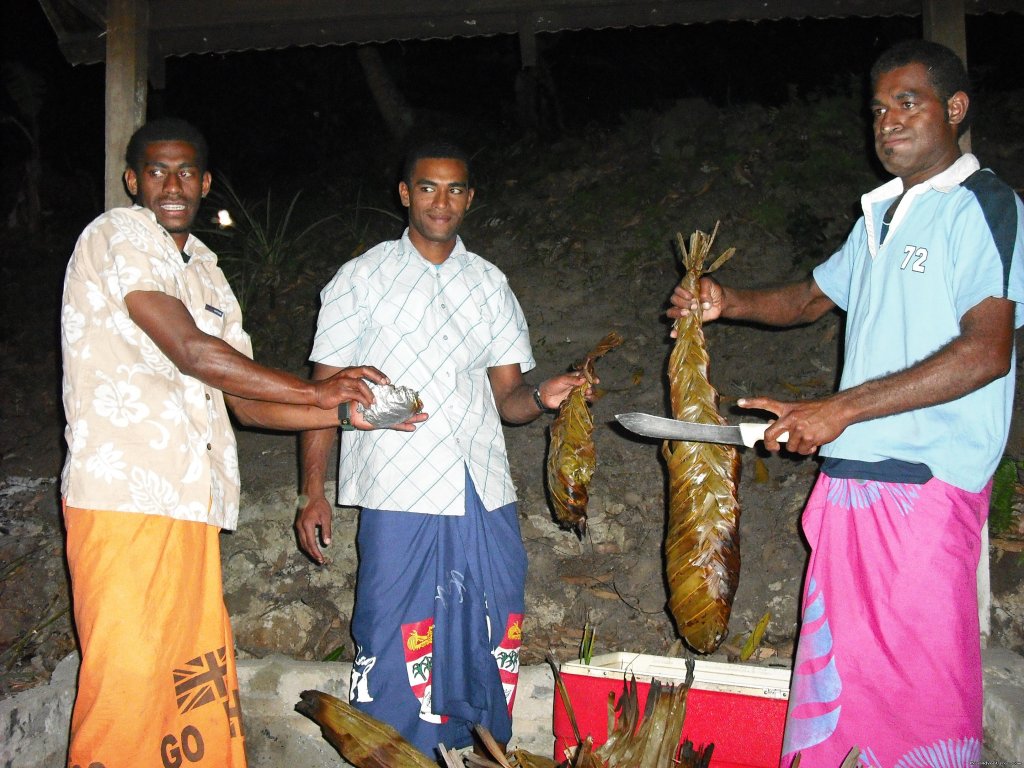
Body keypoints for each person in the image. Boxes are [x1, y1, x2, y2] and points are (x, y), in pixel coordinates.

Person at [669, 40, 1024, 767]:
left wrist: (839, 409)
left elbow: (988, 350)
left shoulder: (982, 207)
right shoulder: (881, 216)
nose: (887, 123)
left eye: (908, 103)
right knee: (841, 682)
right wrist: (726, 301)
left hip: (922, 488)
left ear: (955, 110)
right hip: (853, 483)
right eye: (877, 109)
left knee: (917, 691)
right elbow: (808, 299)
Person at [60, 117, 423, 768]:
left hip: (187, 502)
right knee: (127, 682)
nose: (171, 184)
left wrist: (341, 415)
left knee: (191, 680)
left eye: (185, 172)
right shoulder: (117, 235)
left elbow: (247, 399)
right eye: (156, 171)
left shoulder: (205, 270)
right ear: (132, 180)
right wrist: (318, 391)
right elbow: (192, 350)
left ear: (204, 183)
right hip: (121, 498)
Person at [296, 140, 586, 757]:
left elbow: (508, 398)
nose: (441, 201)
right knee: (393, 621)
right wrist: (313, 491)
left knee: (495, 611)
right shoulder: (360, 279)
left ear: (470, 199)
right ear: (405, 193)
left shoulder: (488, 283)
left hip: (478, 481)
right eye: (428, 187)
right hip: (396, 482)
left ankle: (478, 746)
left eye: (455, 189)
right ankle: (392, 751)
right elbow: (320, 396)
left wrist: (543, 397)